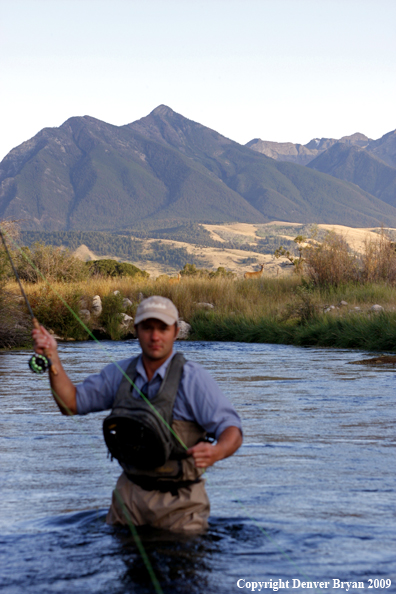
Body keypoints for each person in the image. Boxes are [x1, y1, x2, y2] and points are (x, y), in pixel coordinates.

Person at [32, 295, 243, 533]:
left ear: (176, 331)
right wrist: (52, 356)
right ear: (136, 330)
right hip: (128, 499)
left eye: (163, 328)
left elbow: (231, 429)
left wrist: (218, 451)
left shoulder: (194, 379)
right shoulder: (118, 374)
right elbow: (70, 404)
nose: (155, 336)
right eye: (147, 328)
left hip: (182, 504)